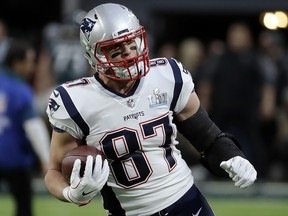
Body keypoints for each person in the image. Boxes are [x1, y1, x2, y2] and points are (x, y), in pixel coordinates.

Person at [45, 3, 257, 216]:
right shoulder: (75, 101)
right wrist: (70, 193)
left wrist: (233, 155)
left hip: (186, 202)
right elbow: (54, 172)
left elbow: (207, 136)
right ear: (94, 55)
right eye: (117, 50)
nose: (129, 54)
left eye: (132, 44)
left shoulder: (167, 75)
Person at [0, 40, 50, 216]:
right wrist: (46, 159)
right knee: (24, 208)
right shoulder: (21, 91)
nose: (32, 67)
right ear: (17, 63)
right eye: (29, 61)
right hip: (15, 159)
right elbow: (34, 128)